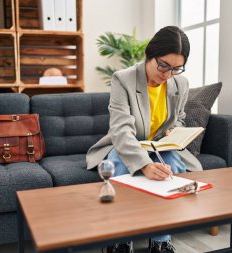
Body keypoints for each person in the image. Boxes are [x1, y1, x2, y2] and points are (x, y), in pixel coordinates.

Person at [86, 26, 203, 253]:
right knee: (119, 164)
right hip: (126, 143)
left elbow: (179, 118)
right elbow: (121, 130)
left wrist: (173, 132)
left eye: (176, 69)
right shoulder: (123, 79)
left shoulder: (181, 84)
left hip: (159, 146)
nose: (168, 74)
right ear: (149, 55)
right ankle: (120, 238)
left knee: (174, 165)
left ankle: (160, 240)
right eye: (163, 65)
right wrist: (145, 165)